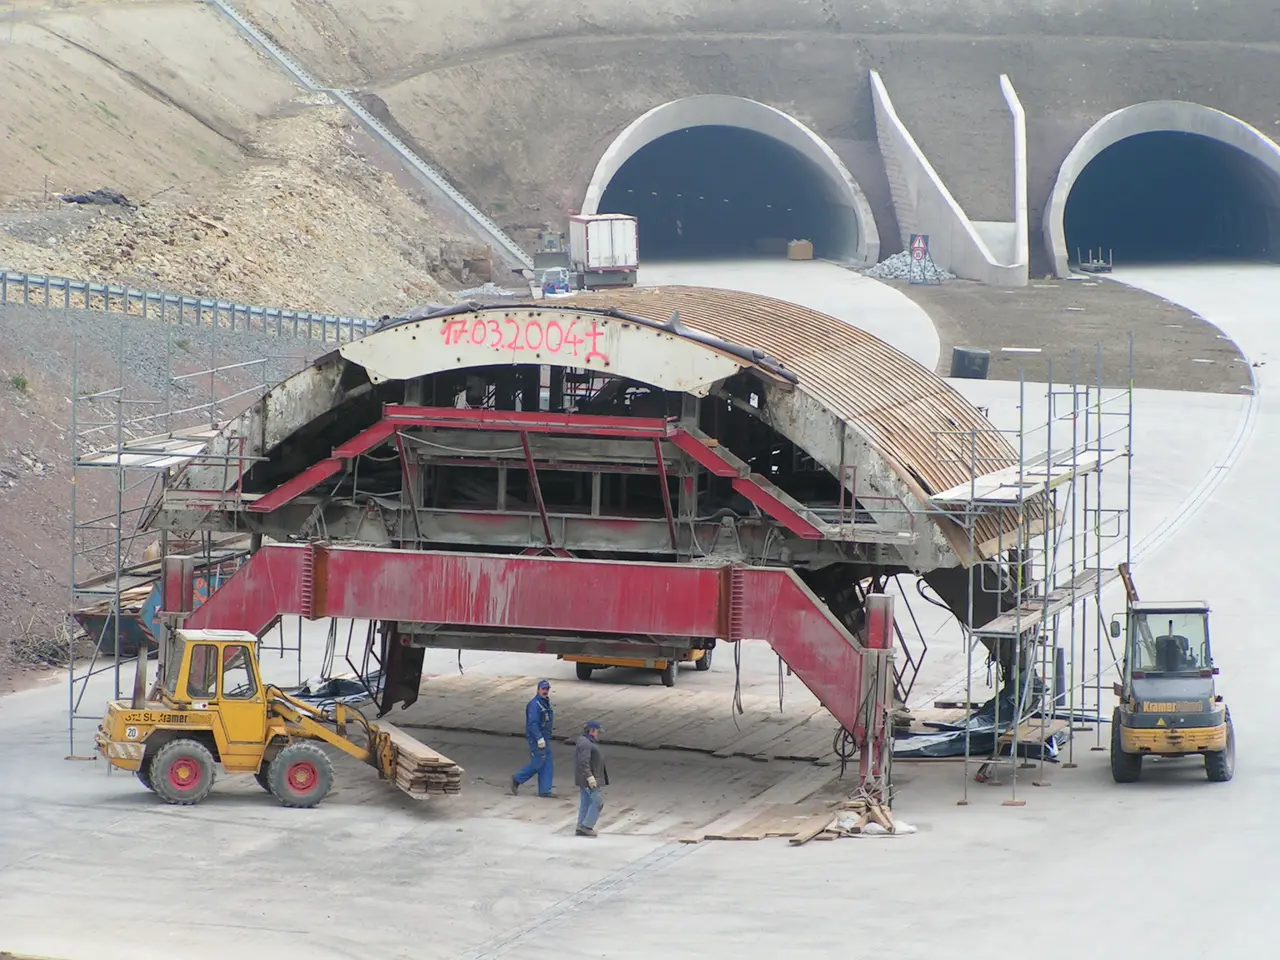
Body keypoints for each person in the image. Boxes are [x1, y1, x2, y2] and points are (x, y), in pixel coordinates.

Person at [511, 679, 555, 797]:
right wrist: (539, 738)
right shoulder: (534, 705)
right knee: (538, 763)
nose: (545, 691)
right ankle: (517, 778)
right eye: (543, 689)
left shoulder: (544, 702)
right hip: (537, 739)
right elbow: (532, 723)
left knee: (547, 762)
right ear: (538, 690)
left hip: (544, 737)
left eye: (547, 689)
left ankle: (545, 790)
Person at [574, 720, 608, 837]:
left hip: (586, 779)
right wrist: (590, 777)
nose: (598, 734)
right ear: (592, 731)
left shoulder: (585, 742)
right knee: (597, 802)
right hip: (589, 779)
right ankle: (587, 826)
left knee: (586, 802)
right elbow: (584, 762)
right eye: (597, 732)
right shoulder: (586, 744)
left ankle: (581, 826)